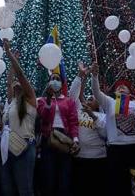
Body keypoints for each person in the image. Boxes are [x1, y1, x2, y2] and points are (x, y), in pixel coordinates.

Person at [91, 63, 135, 196]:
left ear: (130, 92)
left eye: (124, 86)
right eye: (118, 87)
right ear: (115, 92)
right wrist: (94, 76)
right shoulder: (110, 102)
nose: (121, 87)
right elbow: (96, 92)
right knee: (118, 186)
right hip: (117, 149)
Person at [1, 39, 37, 196]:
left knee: (25, 190)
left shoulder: (29, 99)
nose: (16, 82)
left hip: (24, 148)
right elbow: (10, 82)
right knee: (8, 190)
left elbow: (20, 75)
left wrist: (9, 55)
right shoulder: (10, 102)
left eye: (18, 82)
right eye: (14, 81)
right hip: (5, 150)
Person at [37, 67, 80, 196]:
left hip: (65, 138)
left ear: (61, 84)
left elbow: (73, 121)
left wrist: (75, 139)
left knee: (64, 178)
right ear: (48, 82)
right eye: (52, 79)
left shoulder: (68, 101)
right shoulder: (42, 100)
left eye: (57, 79)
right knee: (49, 178)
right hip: (48, 138)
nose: (55, 81)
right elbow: (43, 117)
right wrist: (49, 100)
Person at [70, 62, 107, 196]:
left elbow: (104, 134)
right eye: (89, 97)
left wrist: (93, 116)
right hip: (80, 159)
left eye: (94, 97)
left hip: (98, 161)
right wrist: (81, 75)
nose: (90, 97)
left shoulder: (103, 116)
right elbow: (73, 96)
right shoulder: (80, 110)